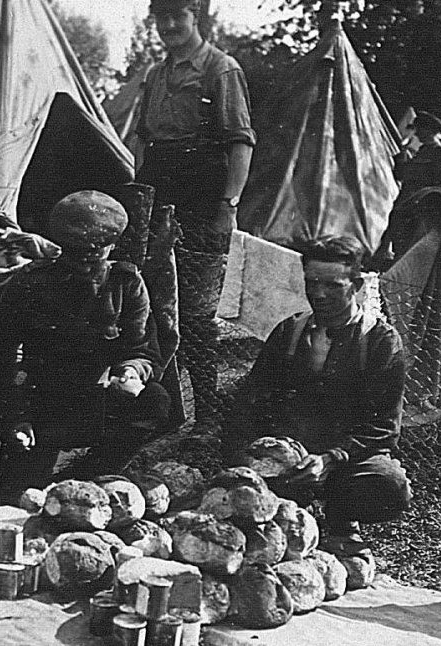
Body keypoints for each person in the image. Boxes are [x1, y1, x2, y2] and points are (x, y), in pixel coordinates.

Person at [222, 236, 412, 555]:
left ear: (357, 284)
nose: (319, 294)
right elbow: (249, 403)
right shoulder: (289, 332)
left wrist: (329, 460)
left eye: (333, 285)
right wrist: (252, 456)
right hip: (288, 460)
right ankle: (285, 513)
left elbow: (383, 430)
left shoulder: (380, 342)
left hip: (342, 463)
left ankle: (340, 520)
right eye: (312, 283)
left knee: (388, 484)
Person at [0, 191, 176, 499]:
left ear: (112, 246)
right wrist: (15, 417)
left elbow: (143, 348)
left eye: (95, 253)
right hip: (40, 404)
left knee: (155, 400)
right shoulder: (31, 282)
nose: (85, 263)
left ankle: (88, 474)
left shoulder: (125, 284)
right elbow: (0, 357)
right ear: (62, 247)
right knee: (18, 498)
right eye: (76, 253)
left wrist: (130, 372)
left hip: (98, 400)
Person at [134, 0, 256, 432]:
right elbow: (143, 141)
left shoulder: (220, 69)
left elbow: (239, 143)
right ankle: (164, 416)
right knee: (151, 306)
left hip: (202, 196)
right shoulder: (155, 74)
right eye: (160, 17)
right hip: (158, 192)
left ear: (196, 16)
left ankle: (208, 417)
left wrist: (228, 205)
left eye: (177, 15)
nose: (168, 25)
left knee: (197, 316)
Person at [373, 110, 441, 393]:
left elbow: (431, 176)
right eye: (418, 130)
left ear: (431, 131)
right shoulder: (423, 151)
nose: (419, 134)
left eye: (422, 130)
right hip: (412, 208)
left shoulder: (438, 154)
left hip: (428, 210)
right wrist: (402, 155)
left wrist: (406, 162)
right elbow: (403, 173)